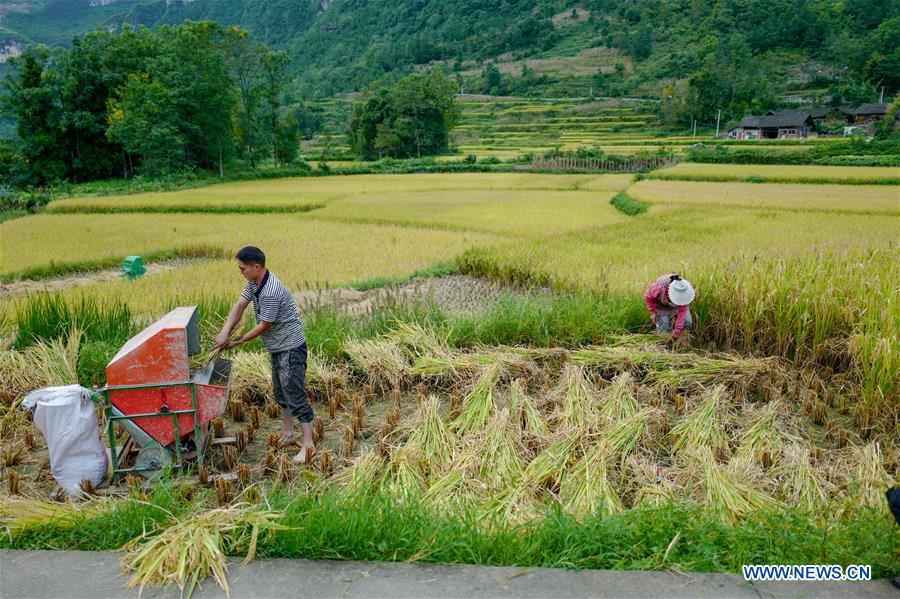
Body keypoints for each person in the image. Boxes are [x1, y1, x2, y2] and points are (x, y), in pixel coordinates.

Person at [215, 246, 315, 464]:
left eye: (242, 269)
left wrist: (238, 341)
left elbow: (264, 325)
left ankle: (308, 445)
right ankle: (288, 434)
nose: (241, 272)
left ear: (256, 267)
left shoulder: (270, 291)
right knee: (281, 393)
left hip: (290, 348)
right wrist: (224, 331)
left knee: (295, 394)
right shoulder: (254, 283)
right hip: (278, 347)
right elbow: (240, 305)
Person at [644, 273, 694, 340]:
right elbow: (648, 297)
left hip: (676, 305)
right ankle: (664, 342)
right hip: (660, 305)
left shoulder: (685, 293)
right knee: (664, 327)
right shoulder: (658, 287)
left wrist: (677, 331)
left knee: (687, 322)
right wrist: (653, 312)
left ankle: (681, 340)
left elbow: (682, 313)